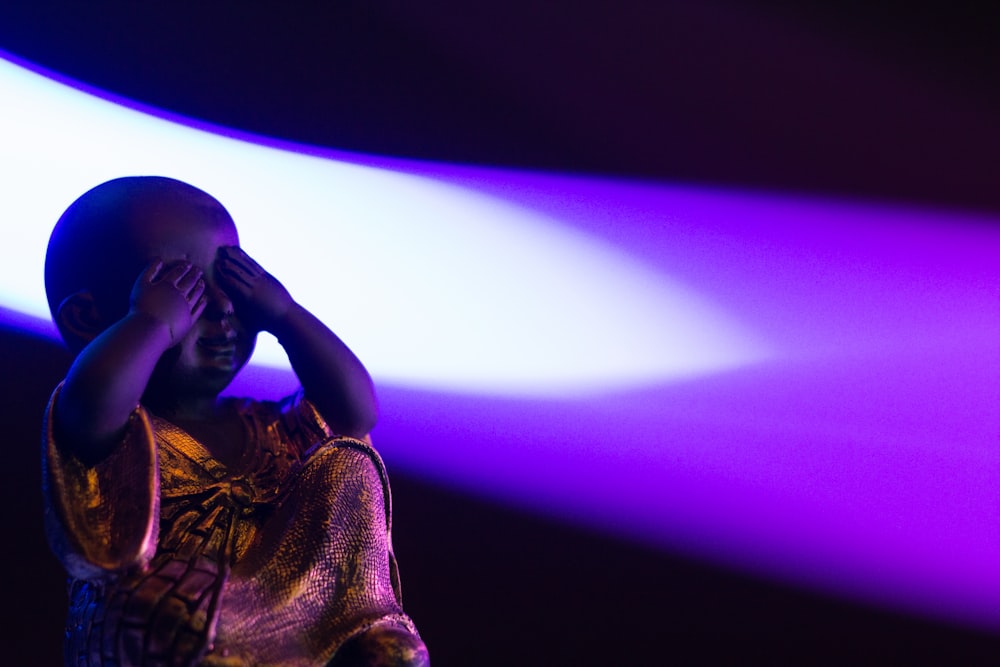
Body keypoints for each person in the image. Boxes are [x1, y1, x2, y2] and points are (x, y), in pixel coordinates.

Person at [41, 176, 429, 667]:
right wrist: (152, 322)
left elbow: (355, 413)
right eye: (184, 290)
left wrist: (285, 313)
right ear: (87, 318)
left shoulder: (271, 427)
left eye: (232, 284)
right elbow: (89, 401)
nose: (224, 310)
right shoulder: (111, 430)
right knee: (181, 626)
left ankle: (357, 635)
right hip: (179, 627)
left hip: (299, 625)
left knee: (348, 464)